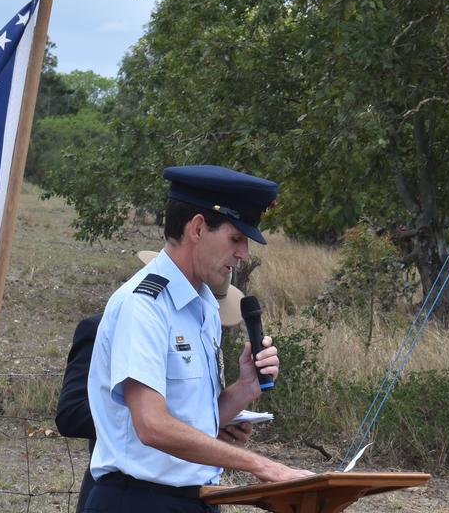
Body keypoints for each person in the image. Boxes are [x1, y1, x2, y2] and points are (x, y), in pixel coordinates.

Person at [83, 165, 312, 513]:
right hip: (138, 500)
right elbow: (152, 426)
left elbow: (194, 422)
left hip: (196, 499)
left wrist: (245, 388)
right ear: (198, 228)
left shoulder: (201, 306)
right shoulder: (143, 306)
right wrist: (262, 466)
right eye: (236, 238)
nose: (243, 254)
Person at [55, 252, 252, 512]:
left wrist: (210, 426)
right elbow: (72, 413)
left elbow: (187, 410)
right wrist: (144, 417)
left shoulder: (206, 329)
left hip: (191, 492)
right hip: (133, 489)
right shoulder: (118, 320)